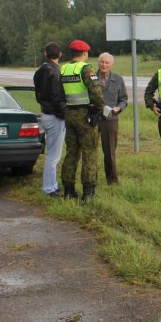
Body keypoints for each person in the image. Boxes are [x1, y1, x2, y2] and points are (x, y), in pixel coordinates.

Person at [60, 40, 105, 201]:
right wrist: (99, 110)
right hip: (85, 116)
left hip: (69, 114)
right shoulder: (86, 69)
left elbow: (60, 93)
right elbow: (96, 92)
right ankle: (88, 192)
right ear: (85, 53)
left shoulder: (64, 69)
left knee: (71, 152)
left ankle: (68, 190)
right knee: (89, 152)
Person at [33, 42, 66, 197]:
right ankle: (49, 187)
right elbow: (56, 96)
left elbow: (39, 93)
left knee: (52, 153)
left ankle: (52, 184)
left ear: (46, 54)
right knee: (54, 155)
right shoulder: (55, 72)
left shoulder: (39, 71)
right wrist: (63, 113)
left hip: (44, 114)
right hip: (54, 116)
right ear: (60, 55)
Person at [96, 52, 128, 185]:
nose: (104, 65)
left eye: (107, 62)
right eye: (102, 62)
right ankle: (91, 179)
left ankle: (112, 180)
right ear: (98, 63)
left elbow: (124, 99)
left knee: (109, 151)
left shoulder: (118, 79)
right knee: (90, 150)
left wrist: (119, 108)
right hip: (93, 118)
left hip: (110, 120)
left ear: (112, 64)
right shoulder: (91, 78)